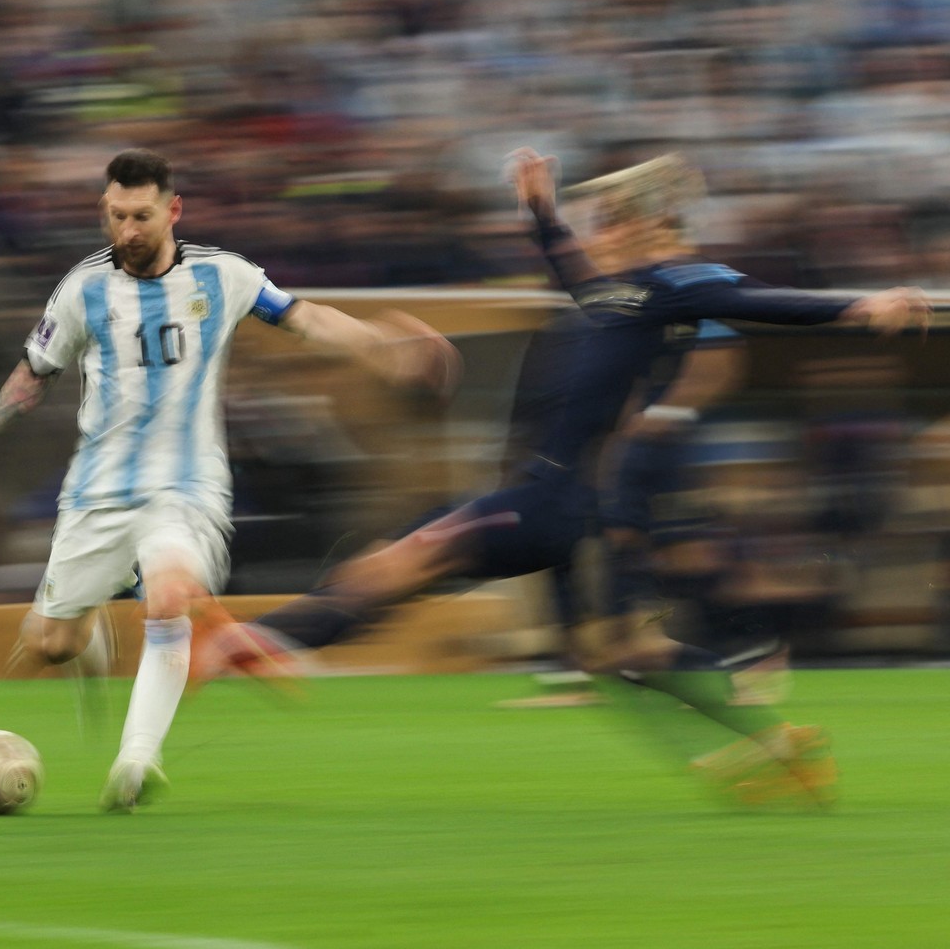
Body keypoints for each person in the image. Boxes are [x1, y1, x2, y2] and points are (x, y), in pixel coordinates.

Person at [201, 148, 930, 805]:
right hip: (569, 503)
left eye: (608, 221)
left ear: (648, 225)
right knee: (615, 654)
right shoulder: (614, 293)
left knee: (403, 560)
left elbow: (759, 301)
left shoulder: (677, 281)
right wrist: (541, 209)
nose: (597, 234)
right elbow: (568, 266)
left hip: (551, 496)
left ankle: (253, 642)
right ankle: (774, 743)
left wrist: (861, 304)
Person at [0, 148, 458, 811]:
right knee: (50, 640)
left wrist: (380, 343)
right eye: (116, 215)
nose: (127, 230)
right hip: (96, 492)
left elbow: (305, 319)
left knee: (171, 597)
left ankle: (136, 760)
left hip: (186, 487)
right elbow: (33, 376)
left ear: (172, 210)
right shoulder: (82, 290)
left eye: (141, 216)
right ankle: (88, 624)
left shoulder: (223, 275)